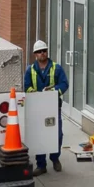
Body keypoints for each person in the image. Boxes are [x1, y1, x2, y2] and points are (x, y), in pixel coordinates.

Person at [24, 39, 68, 175]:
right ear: (35, 54)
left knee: (57, 134)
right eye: (39, 52)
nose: (42, 53)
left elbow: (64, 84)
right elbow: (26, 86)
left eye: (44, 51)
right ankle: (41, 164)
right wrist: (36, 93)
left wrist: (54, 90)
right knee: (39, 136)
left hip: (53, 107)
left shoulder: (56, 68)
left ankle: (55, 159)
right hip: (37, 108)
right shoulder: (30, 70)